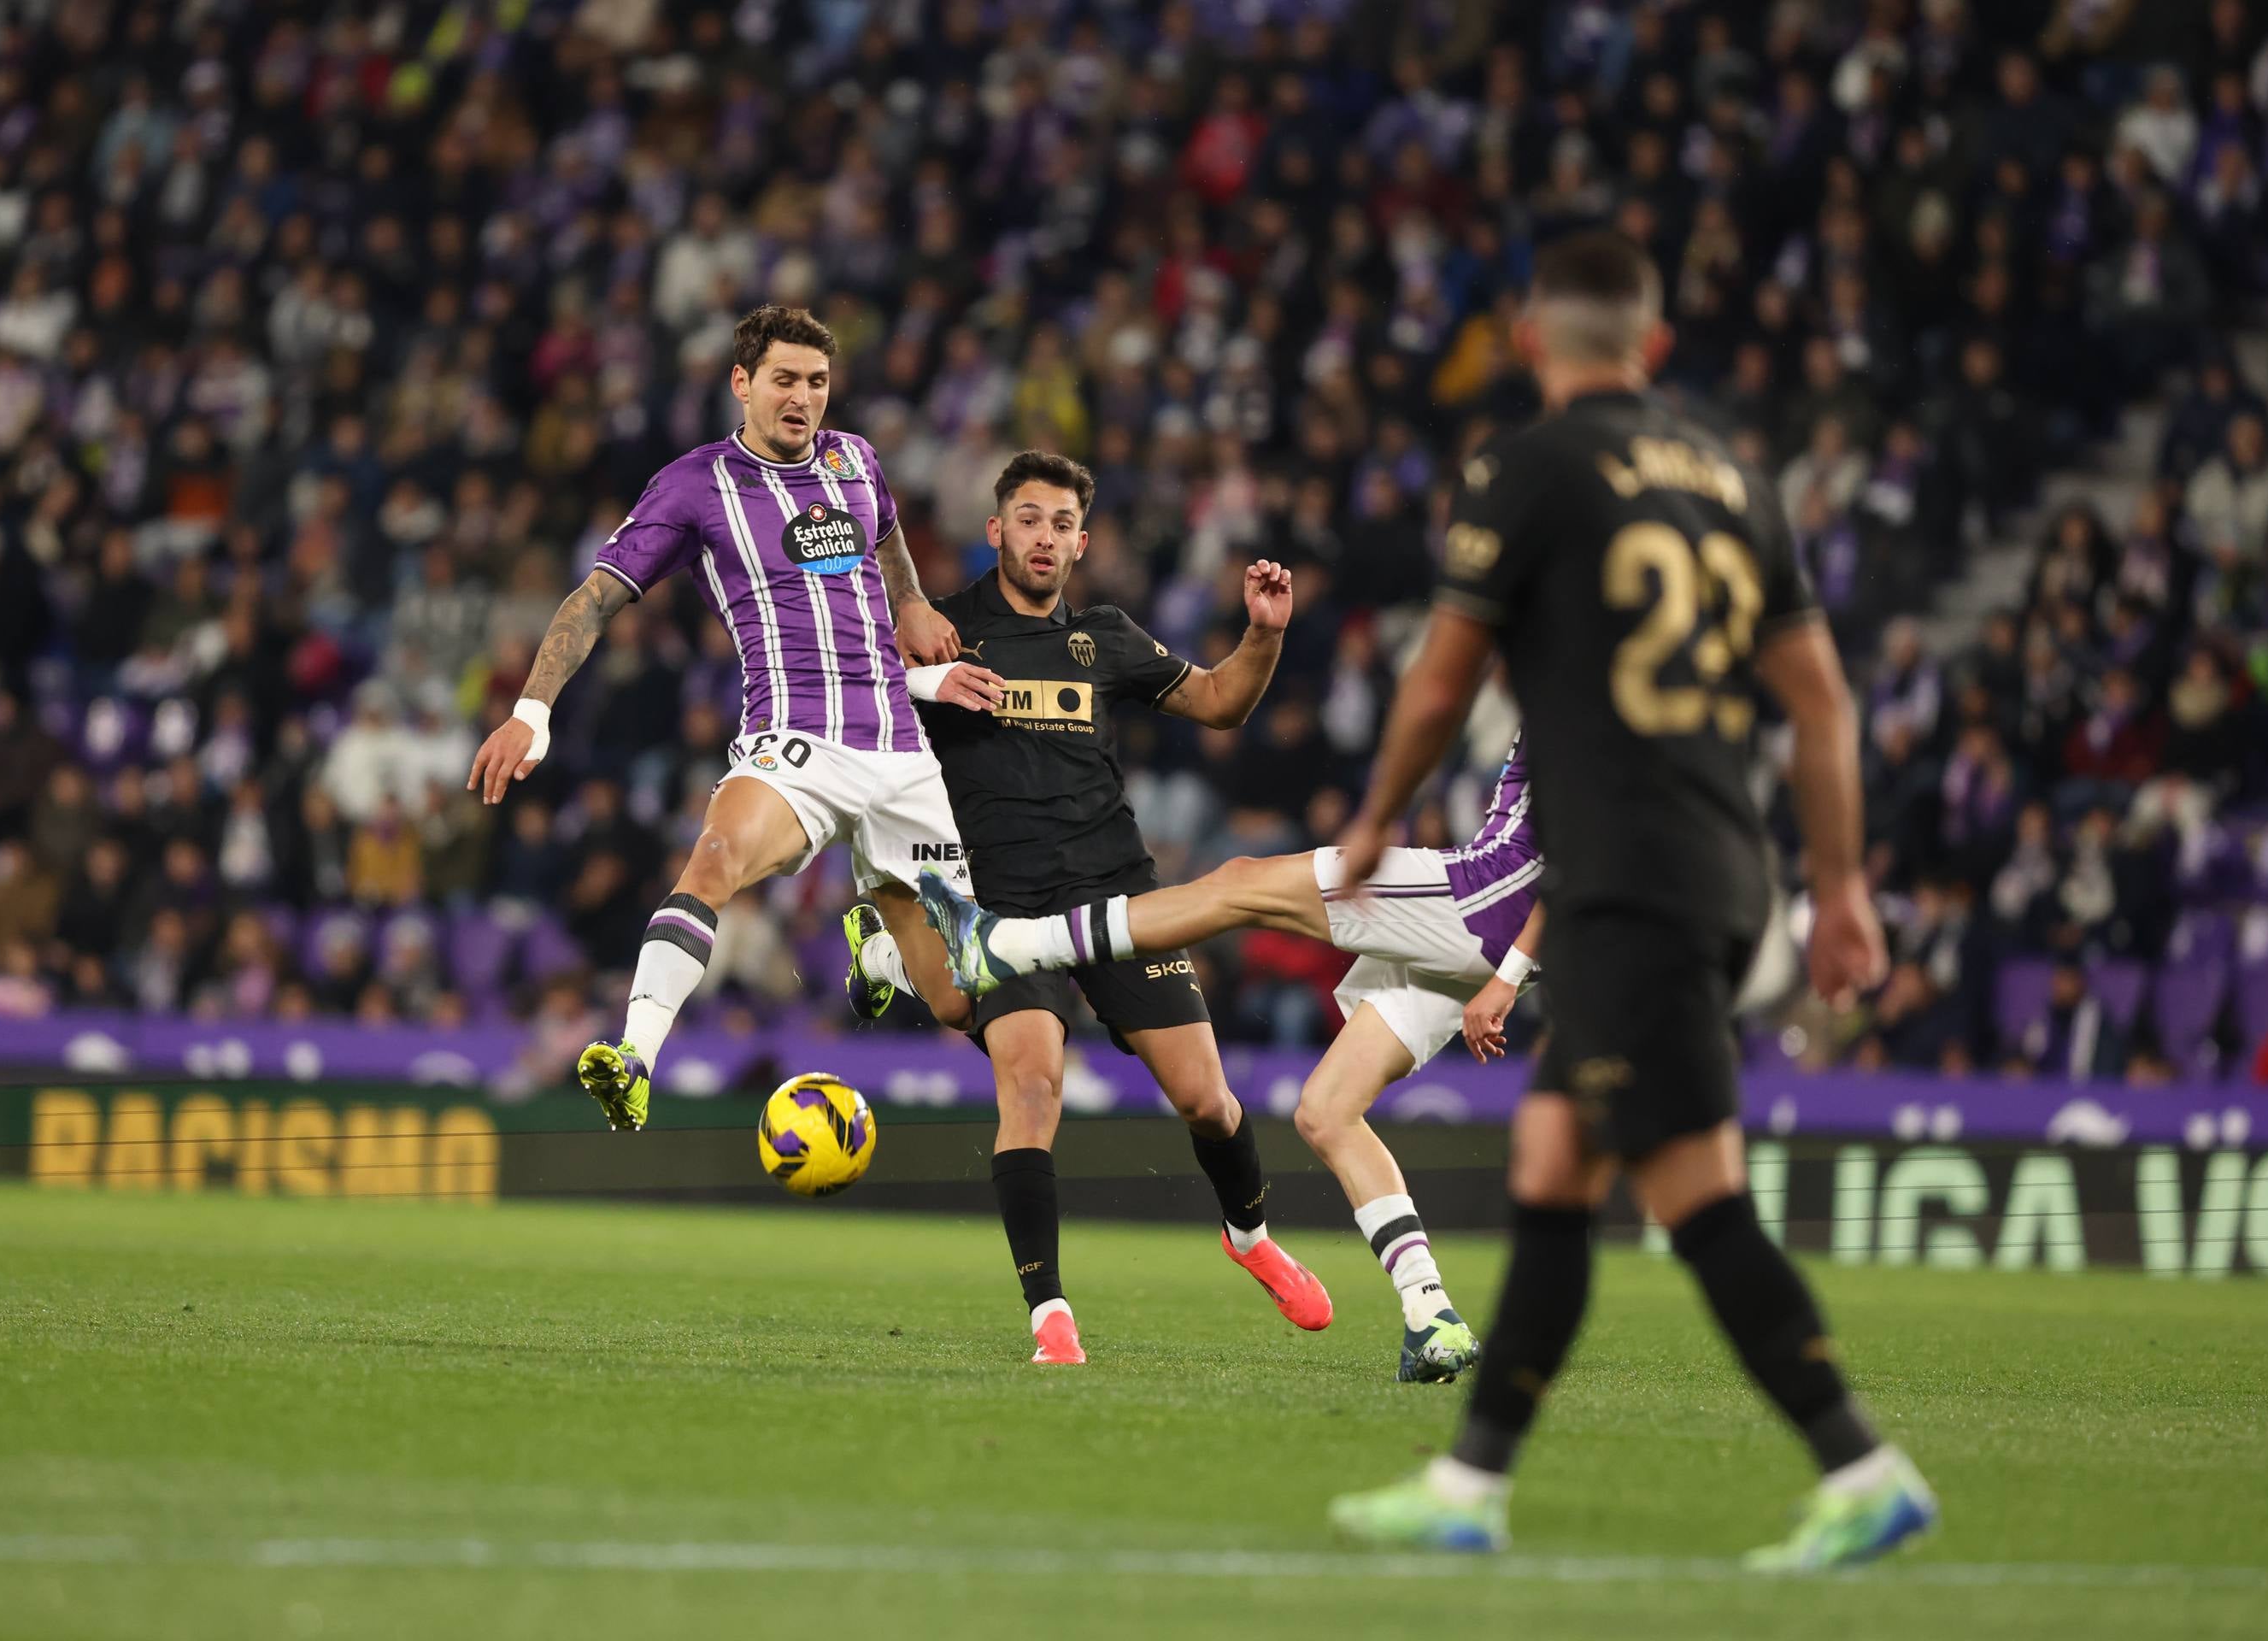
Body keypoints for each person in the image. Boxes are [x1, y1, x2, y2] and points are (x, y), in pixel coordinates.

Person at [1316, 230, 1925, 1567]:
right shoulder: (1732, 478)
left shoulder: (1529, 469)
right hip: (1713, 872)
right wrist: (1839, 891)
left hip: (1624, 885)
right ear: (1651, 346)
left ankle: (1860, 1463)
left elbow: (1436, 680)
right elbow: (1819, 705)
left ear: (1532, 341)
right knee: (1553, 1167)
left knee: (1695, 1201)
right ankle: (1471, 1487)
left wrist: (1369, 826)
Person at [842, 450, 1331, 1365]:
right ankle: (1050, 1318)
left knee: (1207, 1102)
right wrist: (921, 683)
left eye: (1061, 524)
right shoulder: (939, 632)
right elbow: (851, 709)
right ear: (996, 531)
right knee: (1031, 1085)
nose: (1044, 537)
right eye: (1028, 518)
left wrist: (1262, 634)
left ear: (1081, 542)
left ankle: (1250, 1238)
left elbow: (1222, 703)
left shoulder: (1104, 636)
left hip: (1114, 890)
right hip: (1000, 904)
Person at [465, 305, 978, 1128]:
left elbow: (885, 533)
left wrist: (911, 602)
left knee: (957, 1001)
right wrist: (533, 711)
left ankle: (879, 951)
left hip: (901, 748)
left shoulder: (856, 460)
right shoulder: (695, 485)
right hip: (794, 741)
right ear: (741, 383)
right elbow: (596, 599)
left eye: (816, 382)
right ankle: (634, 1058)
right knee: (715, 856)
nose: (802, 399)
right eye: (783, 380)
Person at [911, 732, 1547, 1382]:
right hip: (1492, 936)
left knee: (1243, 885)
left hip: (1481, 906)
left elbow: (1587, 854)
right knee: (1327, 1113)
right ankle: (1430, 1312)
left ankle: (1008, 947)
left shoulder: (1581, 681)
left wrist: (1506, 976)